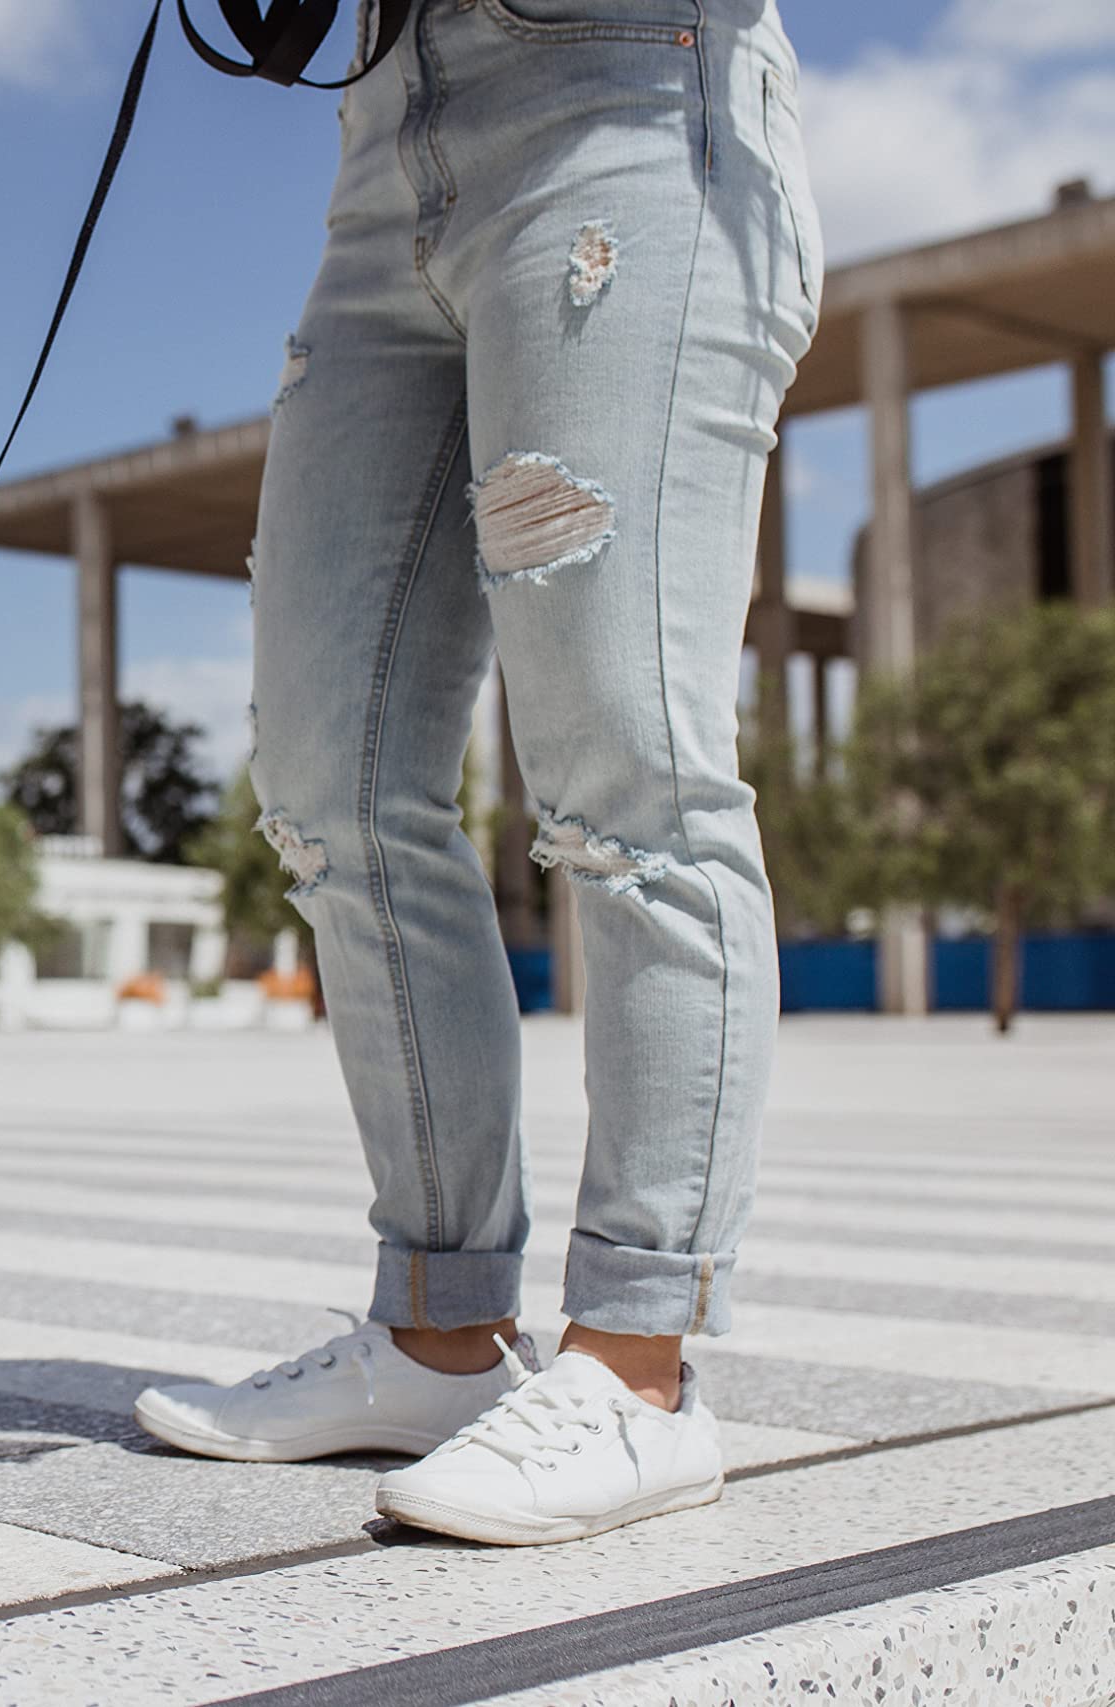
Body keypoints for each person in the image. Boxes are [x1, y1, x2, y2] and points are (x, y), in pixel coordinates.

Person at [135, 0, 819, 1545]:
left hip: (631, 87)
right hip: (388, 139)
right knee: (329, 785)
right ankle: (440, 1334)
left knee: (621, 769)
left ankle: (638, 1367)